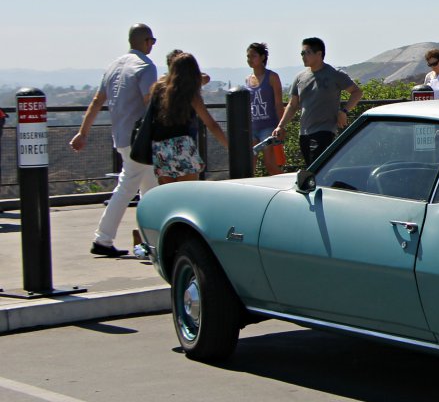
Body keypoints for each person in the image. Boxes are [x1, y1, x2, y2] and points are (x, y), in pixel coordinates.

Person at [69, 23, 159, 257]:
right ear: (146, 42)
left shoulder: (113, 67)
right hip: (140, 139)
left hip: (121, 137)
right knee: (130, 187)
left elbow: (97, 101)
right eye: (152, 41)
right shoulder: (145, 66)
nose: (153, 46)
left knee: (148, 189)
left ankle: (149, 241)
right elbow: (150, 102)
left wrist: (83, 133)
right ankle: (104, 239)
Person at [272, 37, 363, 167]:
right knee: (312, 169)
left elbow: (357, 92)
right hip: (304, 132)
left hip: (324, 130)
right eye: (302, 53)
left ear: (319, 54)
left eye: (307, 52)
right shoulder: (300, 77)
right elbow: (292, 105)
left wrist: (344, 111)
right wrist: (280, 126)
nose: (303, 56)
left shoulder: (334, 74)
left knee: (317, 166)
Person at [149, 53, 228, 184]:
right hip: (183, 146)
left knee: (167, 194)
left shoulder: (158, 89)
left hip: (160, 147)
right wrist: (228, 145)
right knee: (188, 192)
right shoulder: (190, 93)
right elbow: (210, 123)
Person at [245, 42, 284, 175]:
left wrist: (281, 126)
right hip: (252, 127)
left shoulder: (272, 77)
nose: (250, 59)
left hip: (268, 127)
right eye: (248, 56)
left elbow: (278, 103)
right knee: (249, 166)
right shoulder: (248, 80)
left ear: (262, 57)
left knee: (270, 164)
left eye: (253, 56)